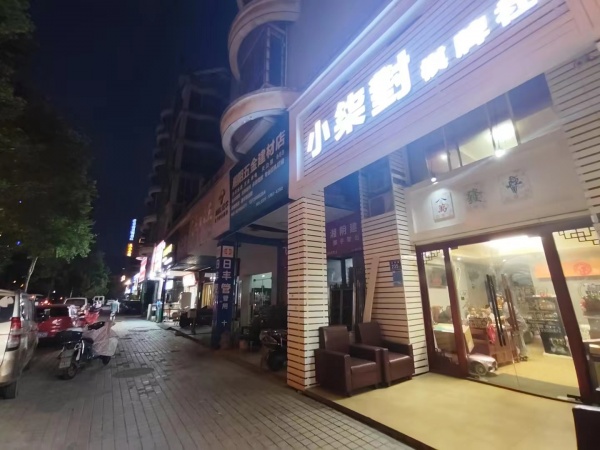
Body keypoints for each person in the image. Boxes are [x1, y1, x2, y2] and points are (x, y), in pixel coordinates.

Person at [498, 295, 529, 361]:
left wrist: (497, 319)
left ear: (502, 299)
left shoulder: (506, 306)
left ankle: (524, 355)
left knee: (519, 340)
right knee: (517, 340)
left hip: (519, 324)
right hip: (516, 324)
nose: (497, 302)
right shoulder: (505, 305)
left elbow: (506, 317)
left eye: (498, 300)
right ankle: (521, 354)